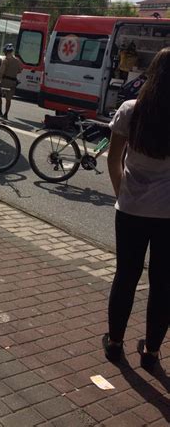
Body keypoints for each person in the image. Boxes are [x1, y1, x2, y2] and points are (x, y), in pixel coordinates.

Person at [103, 47, 170, 371]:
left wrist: (122, 194)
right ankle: (152, 352)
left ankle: (115, 344)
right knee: (163, 284)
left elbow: (113, 159)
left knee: (125, 277)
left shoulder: (131, 111)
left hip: (129, 211)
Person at [0, 44, 22, 119]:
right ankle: (6, 114)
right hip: (13, 82)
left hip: (4, 81)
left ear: (5, 51)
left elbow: (1, 72)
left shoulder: (5, 60)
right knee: (8, 99)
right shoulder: (17, 60)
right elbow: (20, 70)